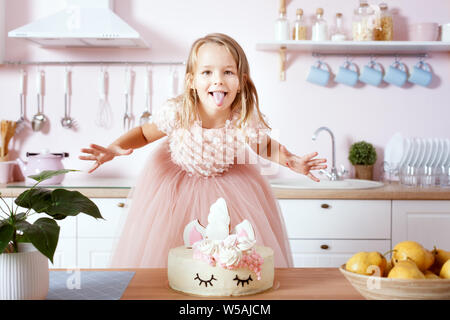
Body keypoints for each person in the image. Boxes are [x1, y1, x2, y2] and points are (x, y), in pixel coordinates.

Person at [79, 33, 327, 268]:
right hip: (173, 189)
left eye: (228, 72)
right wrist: (114, 148)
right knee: (173, 250)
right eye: (207, 72)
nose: (218, 80)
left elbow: (264, 145)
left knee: (228, 254)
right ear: (192, 81)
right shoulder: (179, 112)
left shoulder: (241, 119)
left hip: (229, 188)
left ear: (241, 82)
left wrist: (290, 160)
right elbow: (144, 133)